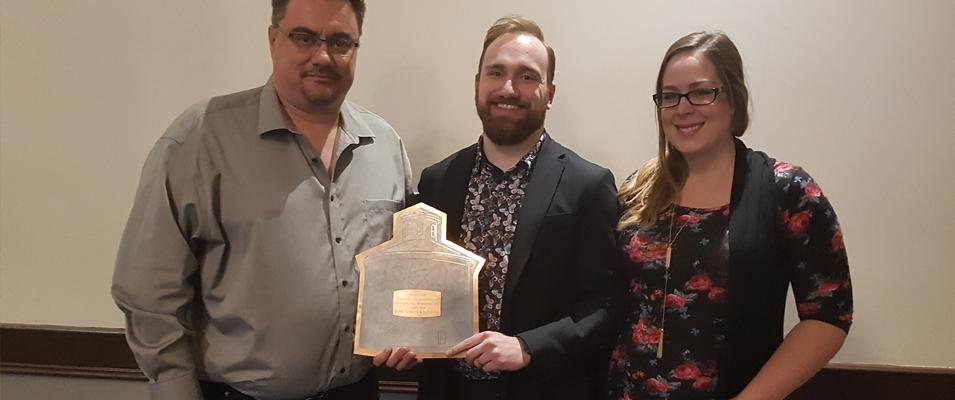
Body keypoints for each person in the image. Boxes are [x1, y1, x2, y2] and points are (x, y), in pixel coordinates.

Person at [111, 1, 414, 399]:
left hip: (358, 391)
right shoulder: (201, 138)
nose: (322, 56)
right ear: (273, 39)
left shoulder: (385, 145)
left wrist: (411, 330)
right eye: (304, 37)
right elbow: (148, 291)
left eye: (340, 42)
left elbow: (404, 268)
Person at [608, 31, 853, 399]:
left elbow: (829, 315)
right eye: (670, 96)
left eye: (701, 92)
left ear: (734, 98)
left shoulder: (787, 190)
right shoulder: (637, 189)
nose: (682, 108)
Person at [409, 15, 620, 400]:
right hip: (447, 391)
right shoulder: (437, 181)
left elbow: (606, 304)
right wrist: (403, 335)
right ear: (477, 83)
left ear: (549, 93)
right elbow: (420, 288)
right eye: (496, 73)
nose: (508, 88)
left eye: (527, 76)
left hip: (543, 390)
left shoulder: (589, 185)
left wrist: (528, 347)